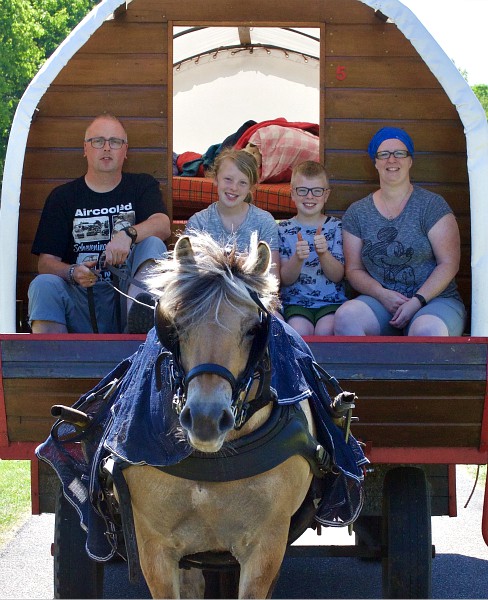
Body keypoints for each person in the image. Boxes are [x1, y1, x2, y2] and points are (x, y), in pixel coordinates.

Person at [28, 113, 171, 334]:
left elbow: (162, 224)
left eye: (115, 142)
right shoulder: (62, 197)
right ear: (85, 149)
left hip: (127, 293)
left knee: (153, 243)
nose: (106, 148)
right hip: (81, 297)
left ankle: (141, 331)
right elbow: (45, 263)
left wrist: (127, 235)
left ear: (125, 151)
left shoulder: (141, 185)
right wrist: (72, 272)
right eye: (98, 141)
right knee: (42, 284)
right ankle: (52, 363)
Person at [333, 127, 466, 336]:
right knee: (346, 318)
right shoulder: (357, 212)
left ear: (410, 160)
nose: (391, 160)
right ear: (375, 162)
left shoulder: (432, 205)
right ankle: (363, 371)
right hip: (382, 303)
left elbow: (449, 263)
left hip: (434, 301)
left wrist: (417, 301)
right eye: (384, 154)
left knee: (428, 331)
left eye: (400, 153)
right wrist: (382, 294)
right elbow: (354, 270)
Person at [184, 148, 280, 278]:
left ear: (251, 187)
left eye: (242, 183)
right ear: (216, 179)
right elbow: (189, 273)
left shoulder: (264, 221)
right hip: (209, 294)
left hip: (249, 295)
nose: (234, 188)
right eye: (228, 179)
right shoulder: (198, 222)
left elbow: (272, 278)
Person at [278, 161, 347, 336]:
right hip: (296, 304)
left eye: (317, 191)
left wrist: (323, 254)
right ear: (292, 193)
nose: (310, 197)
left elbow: (338, 275)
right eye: (302, 190)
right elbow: (285, 279)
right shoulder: (283, 230)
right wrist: (297, 259)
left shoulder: (336, 227)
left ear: (326, 195)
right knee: (299, 331)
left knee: (326, 331)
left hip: (330, 303)